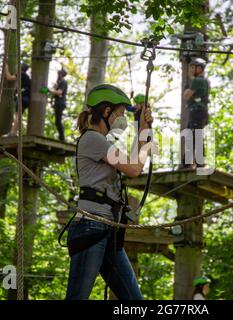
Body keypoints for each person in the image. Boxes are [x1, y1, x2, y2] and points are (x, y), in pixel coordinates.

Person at [65, 84, 155, 300]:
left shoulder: (103, 143)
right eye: (121, 114)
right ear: (106, 112)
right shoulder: (93, 140)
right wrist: (144, 137)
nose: (122, 119)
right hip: (91, 225)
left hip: (107, 227)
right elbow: (134, 168)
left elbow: (134, 164)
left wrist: (143, 129)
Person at [182, 57, 210, 169]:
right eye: (191, 67)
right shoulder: (201, 80)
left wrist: (190, 82)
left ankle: (194, 162)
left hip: (197, 111)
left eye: (195, 67)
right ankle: (192, 162)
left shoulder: (198, 80)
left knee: (194, 134)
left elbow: (186, 95)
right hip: (199, 111)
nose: (192, 69)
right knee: (194, 134)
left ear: (201, 68)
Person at [3, 62, 31, 137]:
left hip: (22, 97)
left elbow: (9, 77)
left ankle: (13, 133)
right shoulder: (27, 77)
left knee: (17, 116)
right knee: (18, 115)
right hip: (26, 98)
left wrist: (5, 67)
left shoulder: (21, 75)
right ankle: (14, 132)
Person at [47, 69, 68, 142]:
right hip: (58, 103)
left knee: (58, 121)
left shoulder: (63, 82)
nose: (57, 76)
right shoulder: (59, 83)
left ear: (61, 75)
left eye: (58, 74)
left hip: (60, 103)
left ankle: (62, 138)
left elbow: (59, 92)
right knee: (57, 121)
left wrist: (50, 90)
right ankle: (61, 138)